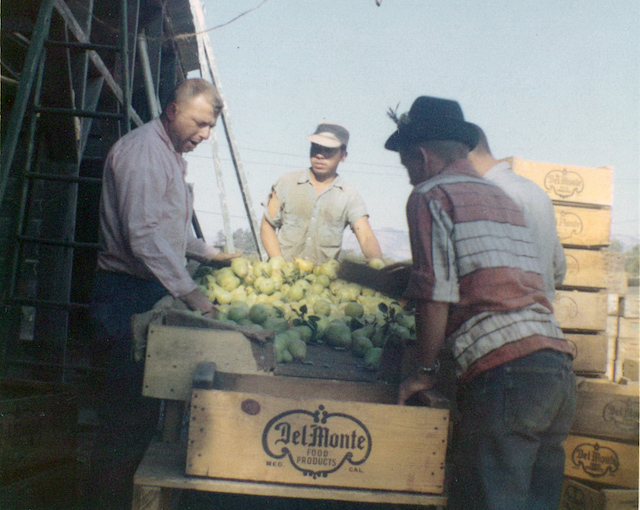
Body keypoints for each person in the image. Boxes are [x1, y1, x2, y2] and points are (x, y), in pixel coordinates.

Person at [385, 96, 576, 510]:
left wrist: (422, 372)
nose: (409, 178)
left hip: (506, 376)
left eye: (406, 167)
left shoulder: (430, 195)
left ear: (420, 155)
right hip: (556, 370)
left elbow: (435, 294)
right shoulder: (503, 197)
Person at [88, 78, 237, 510]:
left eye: (211, 127)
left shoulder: (168, 155)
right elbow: (144, 237)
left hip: (144, 291)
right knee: (123, 419)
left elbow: (167, 232)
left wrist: (211, 255)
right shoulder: (143, 153)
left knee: (139, 418)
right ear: (173, 111)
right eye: (201, 123)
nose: (205, 135)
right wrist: (192, 293)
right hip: (125, 297)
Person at [468, 124, 566, 303]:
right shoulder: (536, 191)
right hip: (541, 319)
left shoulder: (489, 197)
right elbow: (558, 269)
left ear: (466, 154)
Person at [260, 123, 382, 264]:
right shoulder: (286, 182)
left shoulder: (349, 196)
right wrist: (278, 262)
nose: (320, 155)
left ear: (343, 156)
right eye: (316, 148)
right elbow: (267, 225)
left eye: (328, 151)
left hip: (322, 280)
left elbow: (366, 237)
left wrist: (376, 263)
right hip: (282, 276)